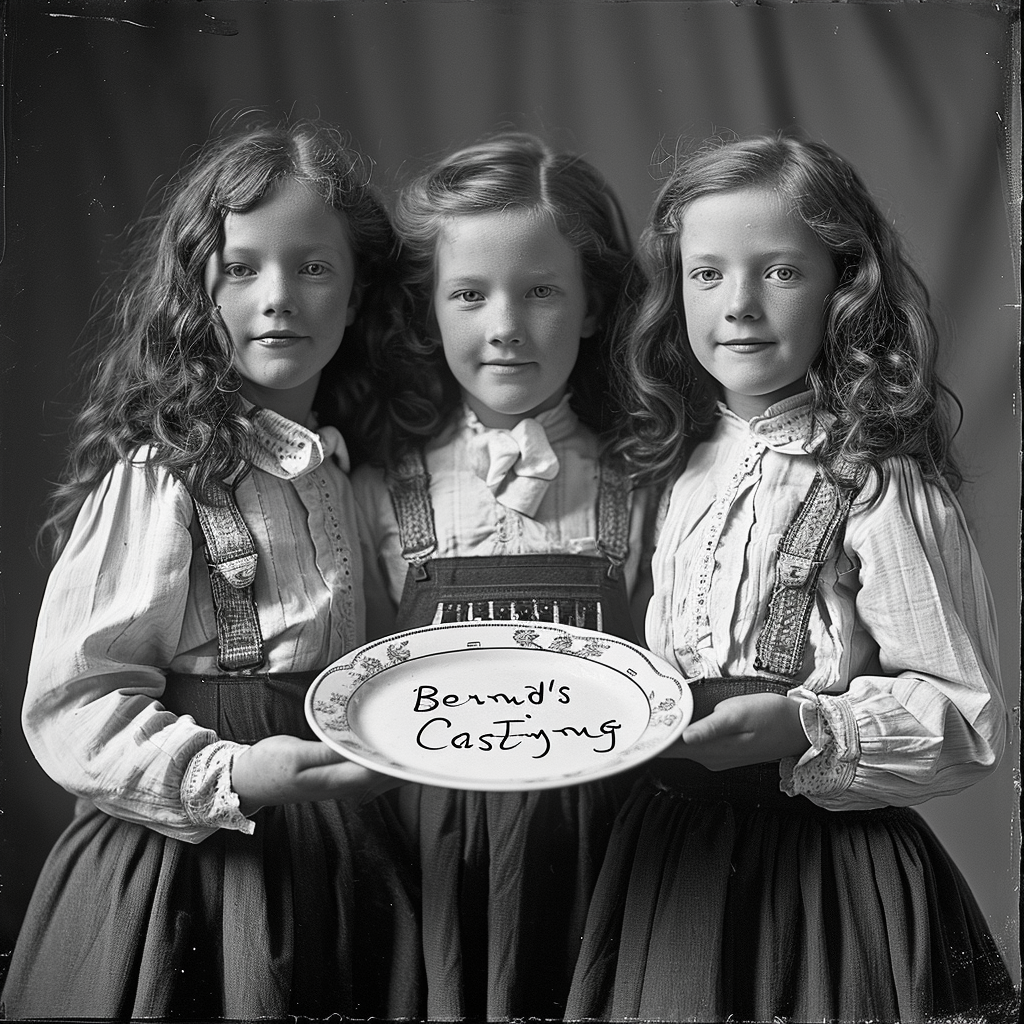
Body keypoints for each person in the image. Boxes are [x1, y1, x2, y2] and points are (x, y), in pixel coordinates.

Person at [564, 133, 1017, 1023]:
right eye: (707, 275)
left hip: (825, 882)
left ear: (842, 287)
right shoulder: (678, 469)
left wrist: (803, 725)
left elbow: (967, 721)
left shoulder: (880, 479)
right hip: (676, 863)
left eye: (778, 273)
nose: (738, 306)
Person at [1, 118, 422, 1021]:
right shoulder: (166, 475)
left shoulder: (351, 473)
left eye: (314, 268)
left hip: (334, 860)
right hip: (187, 870)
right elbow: (73, 702)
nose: (279, 298)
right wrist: (228, 774)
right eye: (243, 268)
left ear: (355, 298)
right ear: (201, 291)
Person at [352, 132, 651, 1021]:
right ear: (430, 310)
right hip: (434, 851)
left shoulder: (643, 482)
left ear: (595, 305)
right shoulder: (382, 489)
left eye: (542, 291)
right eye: (470, 294)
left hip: (606, 844)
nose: (506, 325)